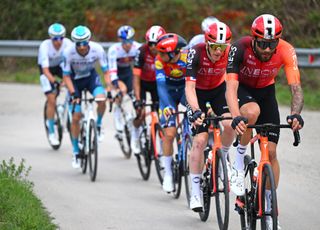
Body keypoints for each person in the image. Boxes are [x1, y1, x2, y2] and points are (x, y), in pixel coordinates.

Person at [225, 14, 304, 229]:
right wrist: (235, 117)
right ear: (253, 40)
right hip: (243, 89)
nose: (268, 49)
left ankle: (269, 207)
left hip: (267, 92)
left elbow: (296, 89)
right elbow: (230, 88)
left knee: (271, 152)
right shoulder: (239, 47)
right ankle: (238, 163)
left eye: (272, 44)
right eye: (262, 44)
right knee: (251, 111)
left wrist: (295, 114)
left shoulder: (287, 50)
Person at [185, 21, 236, 211]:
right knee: (200, 140)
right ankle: (196, 191)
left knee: (230, 124)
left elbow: (232, 83)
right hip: (197, 92)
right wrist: (197, 110)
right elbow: (189, 87)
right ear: (207, 43)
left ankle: (223, 156)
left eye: (222, 47)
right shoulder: (195, 52)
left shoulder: (230, 53)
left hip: (217, 90)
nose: (218, 51)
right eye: (214, 47)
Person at [63, 25, 111, 168]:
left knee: (102, 100)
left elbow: (106, 71)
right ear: (74, 43)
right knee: (76, 116)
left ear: (89, 41)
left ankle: (98, 124)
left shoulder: (98, 49)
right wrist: (73, 94)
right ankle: (76, 152)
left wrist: (108, 88)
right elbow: (65, 77)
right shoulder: (68, 52)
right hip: (74, 81)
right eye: (79, 44)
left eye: (85, 43)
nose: (82, 47)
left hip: (91, 78)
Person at [155, 33, 188, 192]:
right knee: (169, 134)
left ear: (173, 52)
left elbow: (193, 84)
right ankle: (168, 174)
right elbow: (161, 86)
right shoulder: (159, 62)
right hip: (167, 94)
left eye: (162, 52)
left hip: (184, 92)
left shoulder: (188, 58)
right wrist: (167, 106)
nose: (159, 55)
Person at [131, 25, 166, 155]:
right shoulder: (141, 51)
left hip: (157, 84)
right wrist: (138, 100)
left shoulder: (166, 52)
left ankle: (162, 148)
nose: (153, 47)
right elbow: (135, 77)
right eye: (150, 44)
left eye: (156, 44)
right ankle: (135, 135)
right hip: (142, 83)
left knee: (162, 116)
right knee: (140, 112)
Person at [38, 23, 72, 146]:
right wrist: (56, 82)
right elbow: (45, 71)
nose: (58, 41)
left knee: (71, 84)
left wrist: (66, 81)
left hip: (59, 67)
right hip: (47, 70)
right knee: (52, 98)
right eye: (55, 39)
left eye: (61, 38)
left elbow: (71, 64)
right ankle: (51, 131)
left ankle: (67, 110)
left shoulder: (68, 43)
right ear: (50, 38)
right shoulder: (45, 46)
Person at [107, 25, 141, 140]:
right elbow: (111, 70)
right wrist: (115, 83)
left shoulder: (137, 47)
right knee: (121, 92)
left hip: (128, 72)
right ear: (119, 40)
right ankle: (118, 122)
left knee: (135, 95)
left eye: (130, 41)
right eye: (125, 41)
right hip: (116, 74)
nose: (128, 44)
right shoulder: (114, 50)